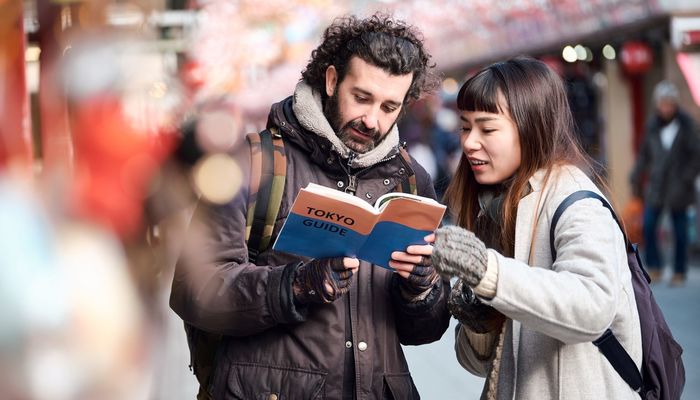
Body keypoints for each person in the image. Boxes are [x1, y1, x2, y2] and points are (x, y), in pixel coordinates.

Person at [169, 13, 450, 400]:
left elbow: (423, 331)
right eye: (362, 98)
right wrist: (294, 286)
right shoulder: (254, 164)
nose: (372, 120)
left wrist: (423, 289)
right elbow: (194, 290)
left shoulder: (411, 179)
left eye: (389, 107)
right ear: (332, 81)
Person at [429, 57, 642, 399]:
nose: (469, 142)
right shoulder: (495, 206)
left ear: (531, 127)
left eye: (487, 128)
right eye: (465, 127)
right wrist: (478, 314)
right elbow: (478, 364)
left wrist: (488, 271)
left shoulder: (576, 200)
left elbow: (593, 307)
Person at [630, 80, 700, 286]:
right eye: (662, 103)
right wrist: (637, 174)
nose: (666, 107)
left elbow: (697, 155)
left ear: (675, 104)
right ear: (657, 104)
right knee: (649, 226)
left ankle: (679, 270)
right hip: (657, 185)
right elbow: (644, 155)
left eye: (669, 103)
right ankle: (655, 266)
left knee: (680, 232)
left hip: (680, 186)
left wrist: (687, 177)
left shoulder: (687, 125)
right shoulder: (652, 125)